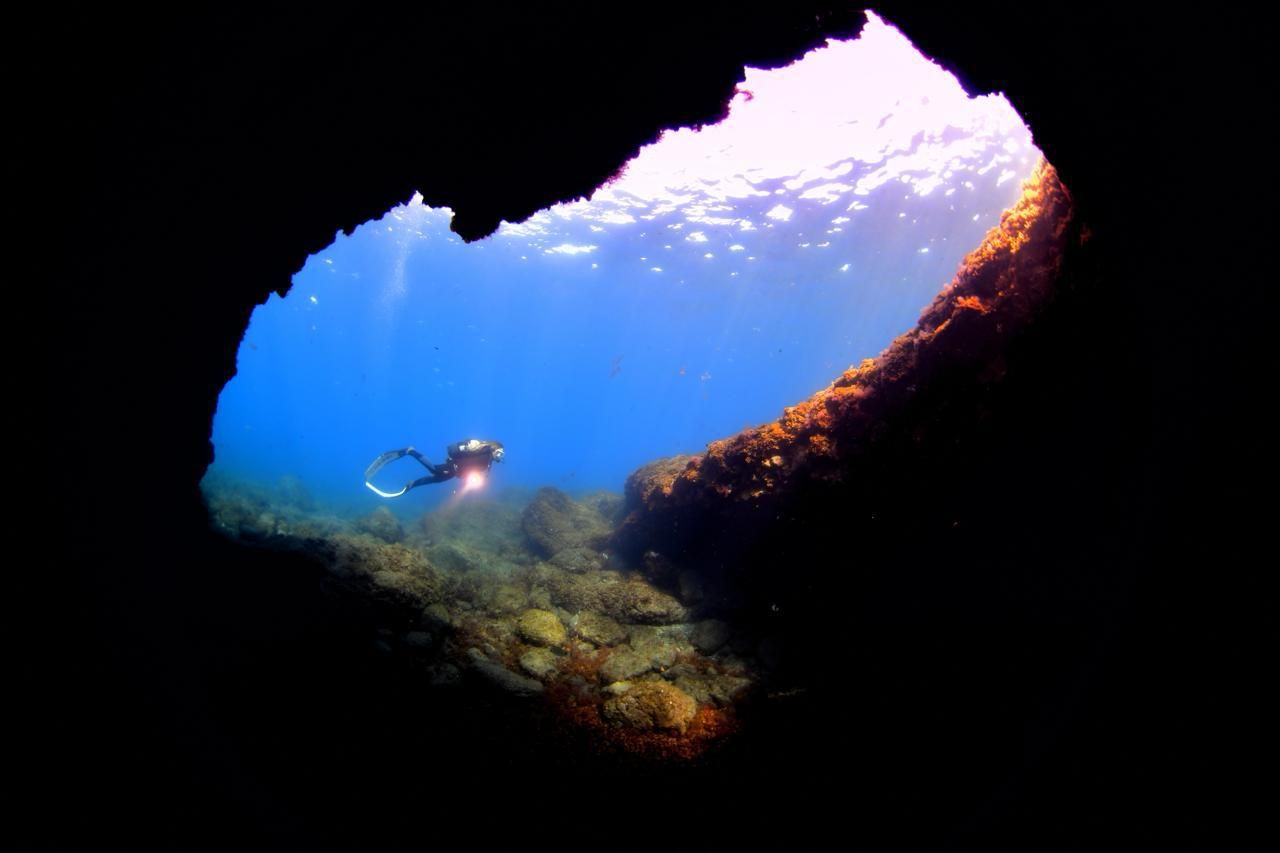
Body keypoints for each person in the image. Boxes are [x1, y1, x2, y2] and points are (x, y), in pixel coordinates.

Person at [364, 438, 504, 497]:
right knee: (434, 469)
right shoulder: (483, 450)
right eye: (500, 452)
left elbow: (473, 471)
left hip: (455, 472)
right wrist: (469, 446)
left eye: (502, 454)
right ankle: (410, 451)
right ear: (494, 448)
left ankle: (411, 485)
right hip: (453, 467)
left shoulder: (488, 462)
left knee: (435, 479)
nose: (500, 456)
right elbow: (465, 456)